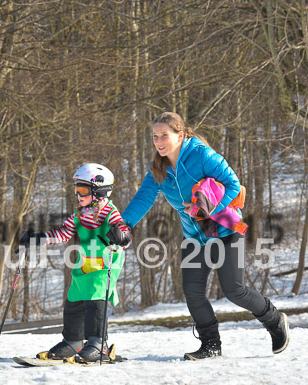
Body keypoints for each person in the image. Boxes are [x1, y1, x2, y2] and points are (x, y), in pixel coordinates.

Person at [121, 111, 290, 360]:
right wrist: (124, 224)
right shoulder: (159, 167)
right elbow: (145, 197)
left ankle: (275, 320)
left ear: (180, 135)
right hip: (195, 237)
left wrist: (206, 208)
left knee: (234, 291)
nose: (158, 141)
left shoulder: (201, 155)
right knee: (193, 292)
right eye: (155, 136)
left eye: (164, 135)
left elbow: (233, 185)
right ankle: (211, 345)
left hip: (225, 230)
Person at [19, 163, 132, 362]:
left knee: (96, 299)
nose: (78, 196)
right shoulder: (80, 213)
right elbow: (63, 232)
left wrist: (121, 236)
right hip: (85, 262)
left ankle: (98, 344)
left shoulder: (109, 212)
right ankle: (73, 341)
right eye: (76, 190)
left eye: (83, 190)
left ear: (98, 192)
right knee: (74, 300)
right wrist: (37, 239)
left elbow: (125, 233)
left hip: (106, 264)